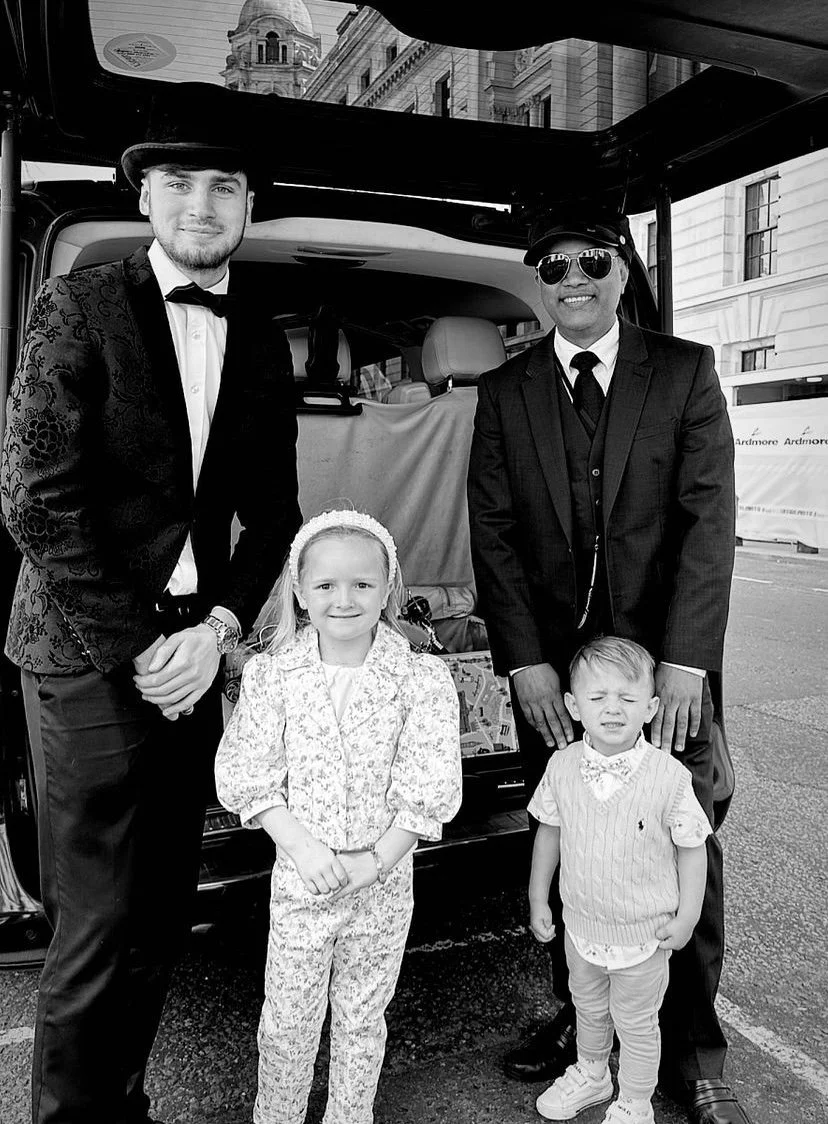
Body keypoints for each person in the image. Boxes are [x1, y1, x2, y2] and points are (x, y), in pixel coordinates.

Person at [0, 92, 301, 1124]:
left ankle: (121, 1102)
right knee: (95, 916)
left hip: (194, 652)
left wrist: (218, 630)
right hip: (85, 650)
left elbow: (276, 517)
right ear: (145, 195)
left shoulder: (263, 340)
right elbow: (34, 496)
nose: (203, 203)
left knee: (165, 904)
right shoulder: (79, 303)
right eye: (179, 183)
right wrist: (143, 647)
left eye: (224, 186)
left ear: (250, 207)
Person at [467, 207, 749, 1124]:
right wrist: (525, 666)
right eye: (552, 267)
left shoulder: (685, 371)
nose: (572, 278)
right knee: (575, 842)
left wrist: (685, 662)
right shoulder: (505, 392)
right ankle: (584, 1019)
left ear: (622, 271)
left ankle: (694, 1052)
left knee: (681, 842)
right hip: (557, 675)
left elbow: (710, 525)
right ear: (539, 283)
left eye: (592, 260)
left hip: (667, 671)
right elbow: (495, 536)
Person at [214, 509, 463, 1124]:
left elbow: (429, 784)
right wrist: (300, 847)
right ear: (299, 591)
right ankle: (277, 1115)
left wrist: (377, 860)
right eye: (325, 585)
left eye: (362, 584)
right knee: (287, 1022)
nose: (344, 599)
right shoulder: (274, 675)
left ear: (388, 589)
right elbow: (248, 772)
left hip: (382, 886)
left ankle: (351, 1116)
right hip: (302, 883)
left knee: (361, 1019)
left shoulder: (420, 679)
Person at [529, 637, 711, 1124]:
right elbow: (549, 832)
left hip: (642, 936)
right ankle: (592, 1074)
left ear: (651, 707)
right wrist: (537, 898)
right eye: (597, 698)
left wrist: (688, 914)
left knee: (635, 1022)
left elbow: (693, 847)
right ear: (572, 704)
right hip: (581, 927)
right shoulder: (562, 767)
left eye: (628, 699)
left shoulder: (667, 777)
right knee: (587, 1007)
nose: (613, 710)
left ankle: (634, 1100)